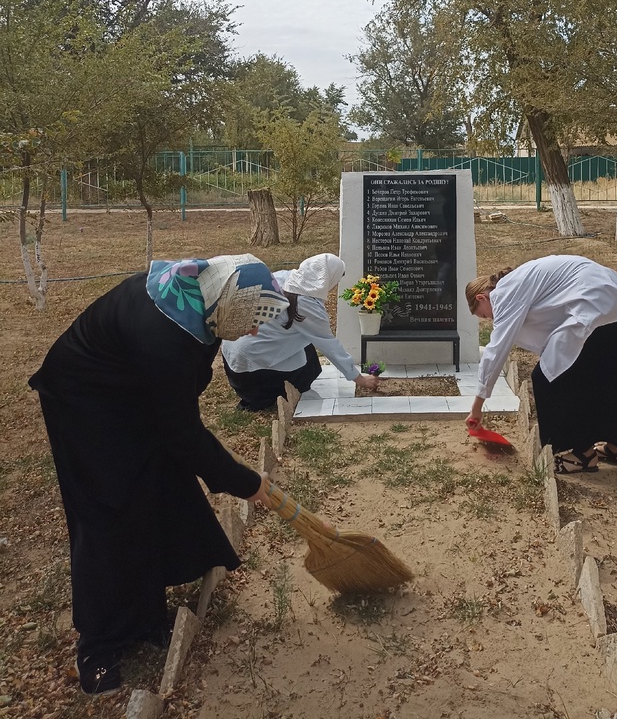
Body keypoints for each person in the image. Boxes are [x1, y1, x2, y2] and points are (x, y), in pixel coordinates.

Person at [28, 254, 289, 696]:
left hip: (131, 391)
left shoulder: (201, 299)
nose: (253, 330)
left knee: (154, 487)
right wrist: (247, 482)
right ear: (229, 302)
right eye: (251, 318)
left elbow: (176, 412)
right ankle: (98, 643)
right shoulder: (164, 333)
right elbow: (183, 434)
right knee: (106, 508)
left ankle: (147, 616)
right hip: (82, 399)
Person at [465, 255, 617, 474]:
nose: (490, 320)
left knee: (550, 378)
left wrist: (476, 407)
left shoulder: (503, 294)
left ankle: (582, 455)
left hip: (592, 301)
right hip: (610, 295)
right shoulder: (518, 281)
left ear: (482, 297)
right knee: (606, 372)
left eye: (484, 315)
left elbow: (496, 350)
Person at [221, 253, 380, 410]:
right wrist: (360, 379)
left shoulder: (282, 277)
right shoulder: (307, 305)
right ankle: (268, 396)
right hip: (252, 376)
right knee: (310, 367)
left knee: (306, 348)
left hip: (232, 360)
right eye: (337, 278)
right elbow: (331, 346)